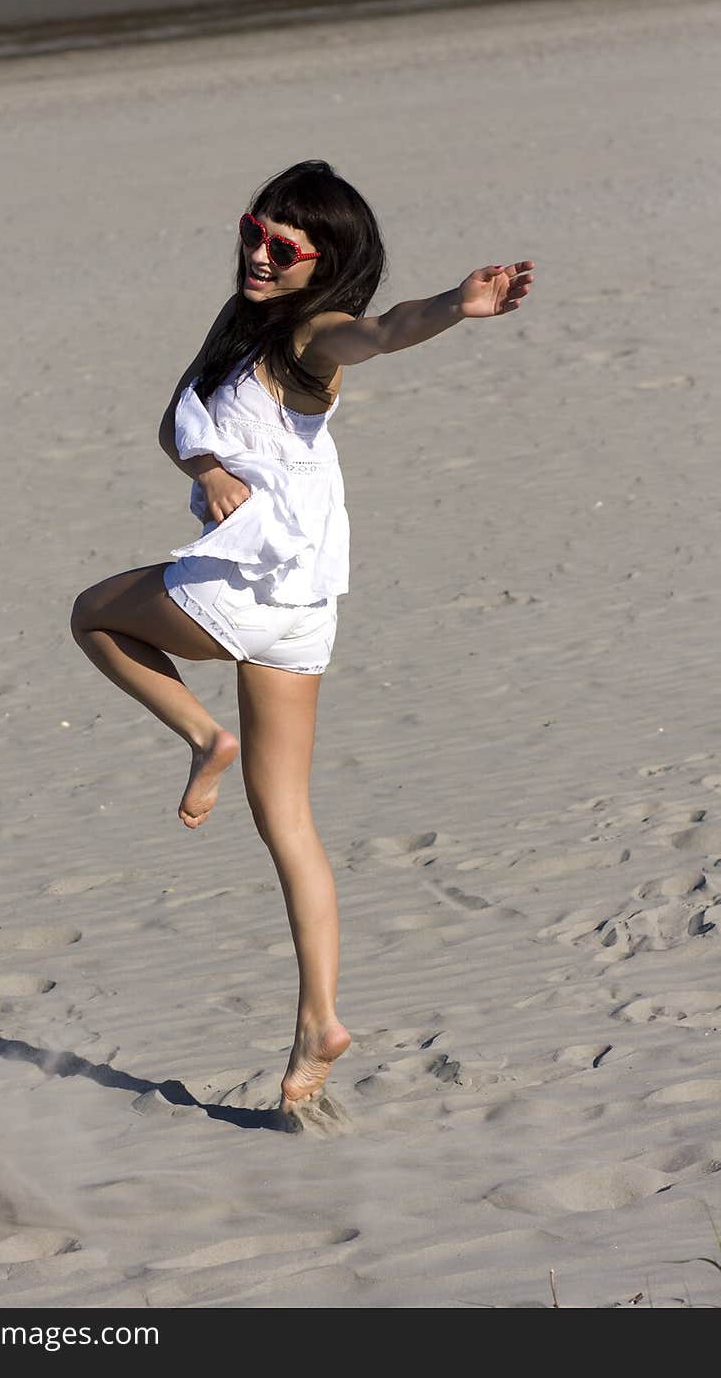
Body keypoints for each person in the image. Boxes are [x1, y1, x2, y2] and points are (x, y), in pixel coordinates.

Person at [70, 159, 534, 1116]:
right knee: (288, 822)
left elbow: (379, 332)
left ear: (325, 263)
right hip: (302, 606)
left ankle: (202, 735)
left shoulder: (309, 335)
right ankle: (316, 1029)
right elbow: (176, 423)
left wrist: (455, 303)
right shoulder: (238, 332)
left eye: (283, 246)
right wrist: (203, 464)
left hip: (240, 587)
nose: (259, 252)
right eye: (253, 229)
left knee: (92, 613)